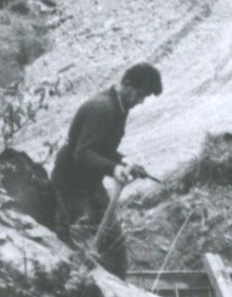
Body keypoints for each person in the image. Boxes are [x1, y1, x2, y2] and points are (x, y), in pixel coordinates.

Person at [49, 62, 161, 276]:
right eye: (140, 94)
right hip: (69, 187)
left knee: (115, 248)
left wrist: (126, 163)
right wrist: (114, 168)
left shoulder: (120, 107)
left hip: (90, 184)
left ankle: (112, 288)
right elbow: (82, 152)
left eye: (144, 97)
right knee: (64, 244)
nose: (141, 101)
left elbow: (103, 148)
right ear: (127, 84)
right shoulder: (102, 108)